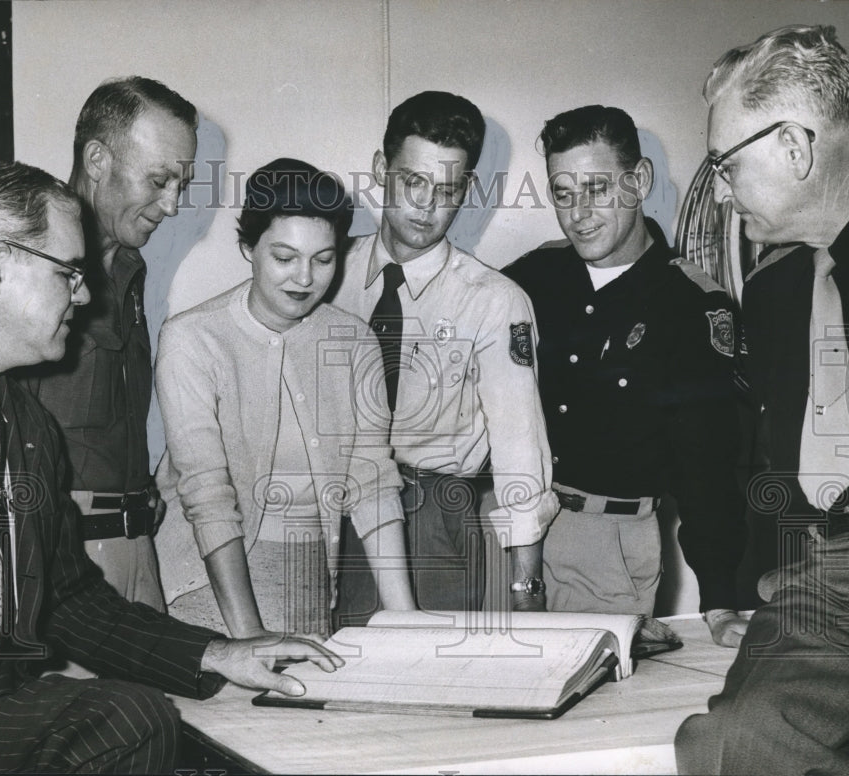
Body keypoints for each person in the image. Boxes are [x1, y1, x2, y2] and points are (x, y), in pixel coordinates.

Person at [0, 160, 342, 774]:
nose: (83, 294)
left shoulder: (26, 423)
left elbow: (68, 600)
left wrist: (219, 654)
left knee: (134, 720)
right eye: (67, 273)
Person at [675, 25, 849, 775]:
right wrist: (742, 584)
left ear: (796, 148)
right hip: (832, 581)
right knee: (733, 743)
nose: (721, 191)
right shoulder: (771, 293)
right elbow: (759, 448)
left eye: (723, 165)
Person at [502, 105, 748, 645]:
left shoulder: (690, 306)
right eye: (563, 193)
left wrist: (721, 599)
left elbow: (705, 468)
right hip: (506, 530)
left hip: (607, 545)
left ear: (639, 181)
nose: (578, 213)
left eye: (596, 189)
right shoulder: (530, 278)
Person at [156, 158, 416, 639]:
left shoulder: (353, 341)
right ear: (247, 249)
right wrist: (250, 639)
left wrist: (406, 621)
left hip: (310, 581)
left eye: (323, 259)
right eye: (284, 257)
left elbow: (372, 481)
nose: (304, 278)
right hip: (210, 587)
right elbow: (208, 497)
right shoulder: (192, 339)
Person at [328, 91, 558, 618]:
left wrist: (526, 589)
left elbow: (520, 447)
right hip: (322, 511)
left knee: (422, 681)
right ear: (380, 169)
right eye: (412, 182)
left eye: (447, 191)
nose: (427, 207)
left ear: (467, 191)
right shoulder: (324, 272)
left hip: (428, 518)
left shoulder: (494, 301)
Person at [20, 76, 197, 608]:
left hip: (137, 545)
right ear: (97, 159)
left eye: (180, 186)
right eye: (159, 180)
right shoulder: (29, 263)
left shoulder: (127, 267)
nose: (171, 206)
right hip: (60, 557)